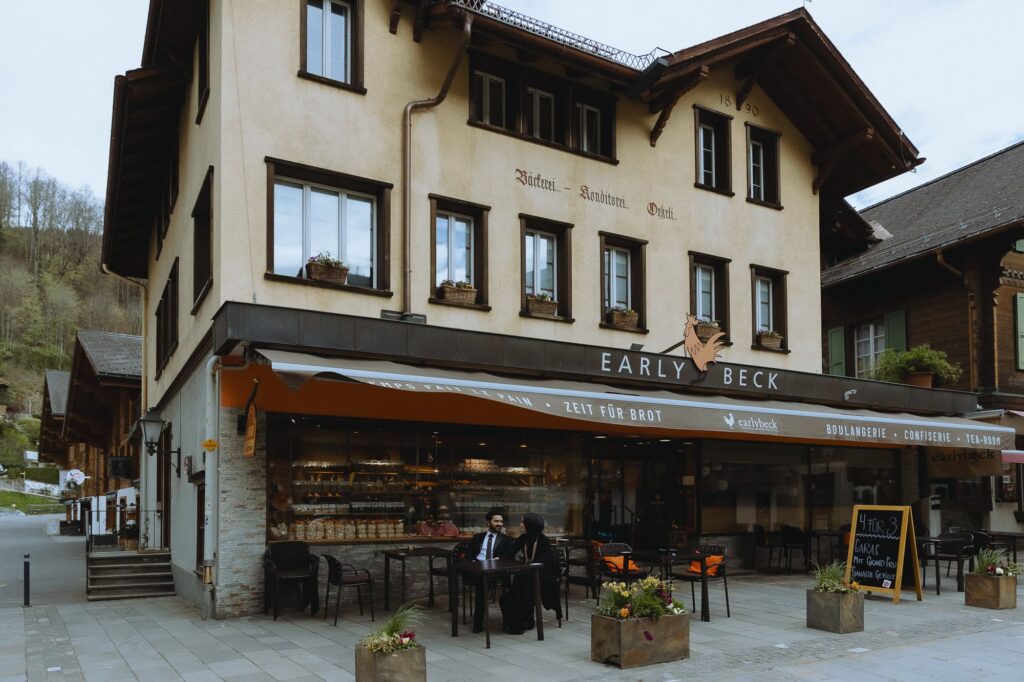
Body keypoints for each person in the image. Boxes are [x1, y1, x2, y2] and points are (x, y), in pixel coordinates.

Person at [499, 512, 563, 634]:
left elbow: (545, 560)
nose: (520, 524)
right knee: (509, 596)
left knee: (521, 592)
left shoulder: (542, 539)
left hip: (542, 576)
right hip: (527, 575)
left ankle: (523, 622)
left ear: (530, 524)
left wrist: (528, 566)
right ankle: (522, 622)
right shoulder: (523, 538)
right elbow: (510, 552)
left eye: (523, 522)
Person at [467, 508, 515, 633]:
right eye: (496, 521)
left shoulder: (507, 540)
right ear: (488, 522)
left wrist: (499, 559)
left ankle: (509, 622)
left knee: (503, 593)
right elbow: (469, 555)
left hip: (497, 571)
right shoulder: (477, 537)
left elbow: (510, 558)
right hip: (479, 569)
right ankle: (478, 624)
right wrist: (473, 563)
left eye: (501, 521)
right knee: (481, 592)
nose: (499, 524)